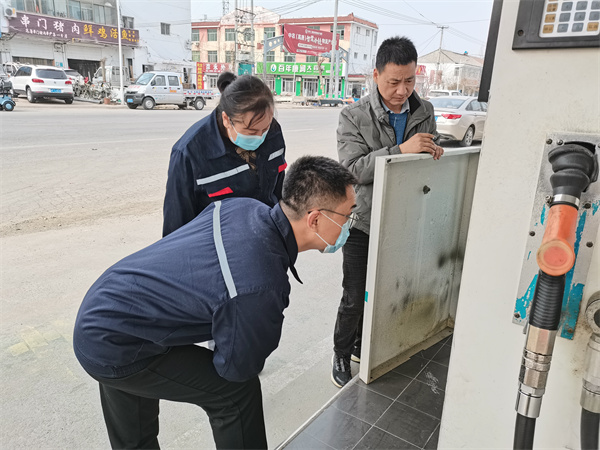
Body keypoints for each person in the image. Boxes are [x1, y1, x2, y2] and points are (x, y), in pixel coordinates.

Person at [73, 156, 358, 450]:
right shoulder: (261, 285)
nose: (349, 225)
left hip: (108, 306)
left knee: (133, 420)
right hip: (114, 341)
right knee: (236, 394)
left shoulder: (243, 207)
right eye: (348, 215)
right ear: (315, 219)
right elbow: (237, 367)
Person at [331, 36, 444, 388]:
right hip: (363, 222)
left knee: (387, 291)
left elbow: (426, 156)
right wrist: (401, 150)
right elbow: (351, 170)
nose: (402, 90)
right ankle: (340, 351)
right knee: (354, 295)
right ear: (376, 75)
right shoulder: (353, 116)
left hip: (405, 220)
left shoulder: (424, 111)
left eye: (409, 81)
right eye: (394, 82)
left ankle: (363, 344)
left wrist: (432, 151)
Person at [162, 73, 287, 237]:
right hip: (218, 245)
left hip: (265, 237)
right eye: (251, 131)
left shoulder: (273, 132)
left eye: (265, 129)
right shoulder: (190, 153)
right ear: (227, 119)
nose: (260, 136)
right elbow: (176, 229)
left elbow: (278, 191)